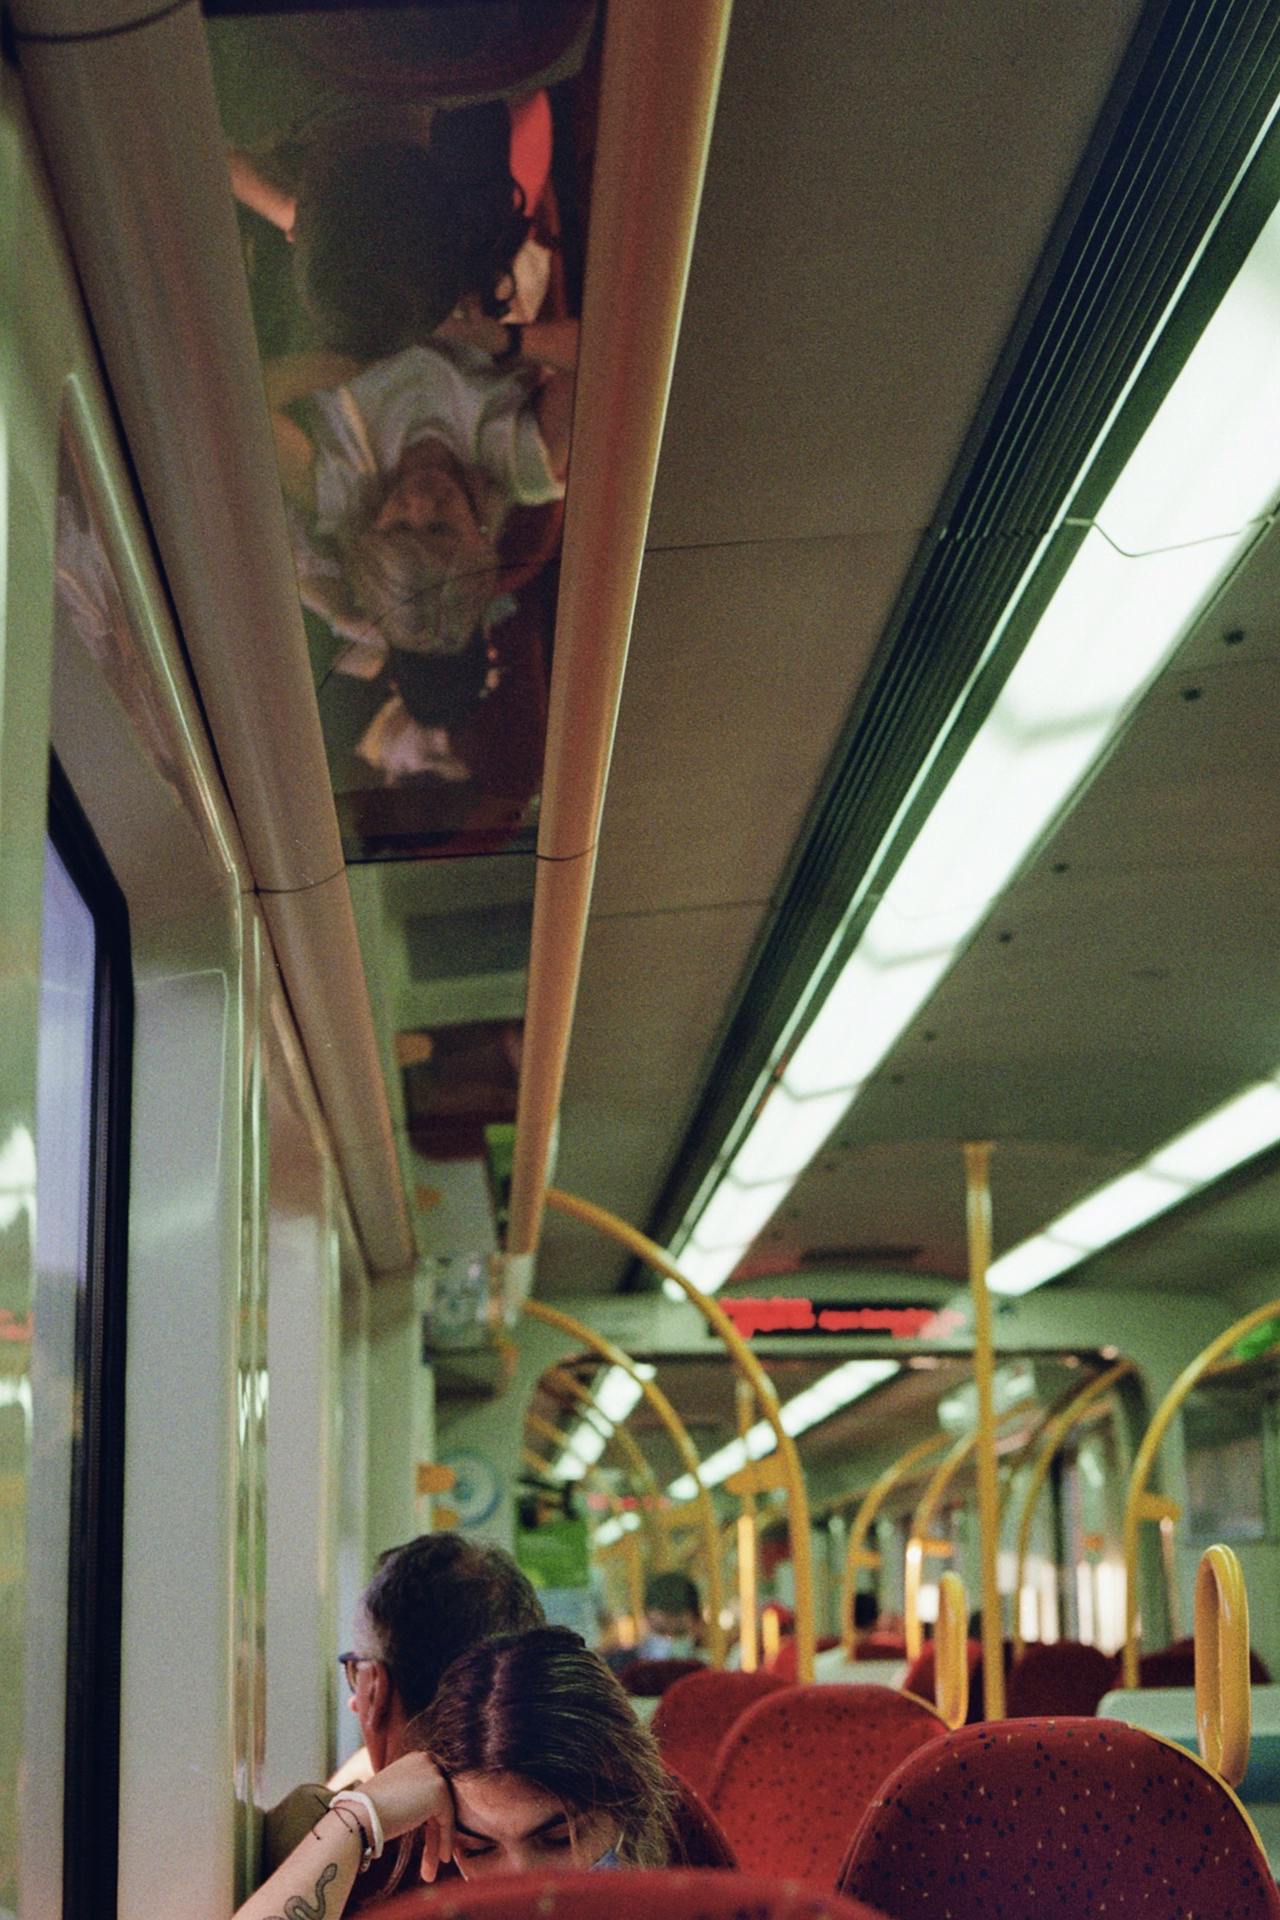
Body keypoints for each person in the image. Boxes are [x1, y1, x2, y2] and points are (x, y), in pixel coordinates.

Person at [236, 1629, 677, 1920]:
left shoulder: (689, 1870)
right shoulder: (376, 1872)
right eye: (479, 1849)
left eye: (558, 1839)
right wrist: (356, 1820)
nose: (522, 1880)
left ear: (628, 1800)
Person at [261, 1533, 545, 1904]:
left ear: (375, 1690)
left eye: (355, 1673)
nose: (353, 1705)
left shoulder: (317, 1841)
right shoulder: (581, 1815)